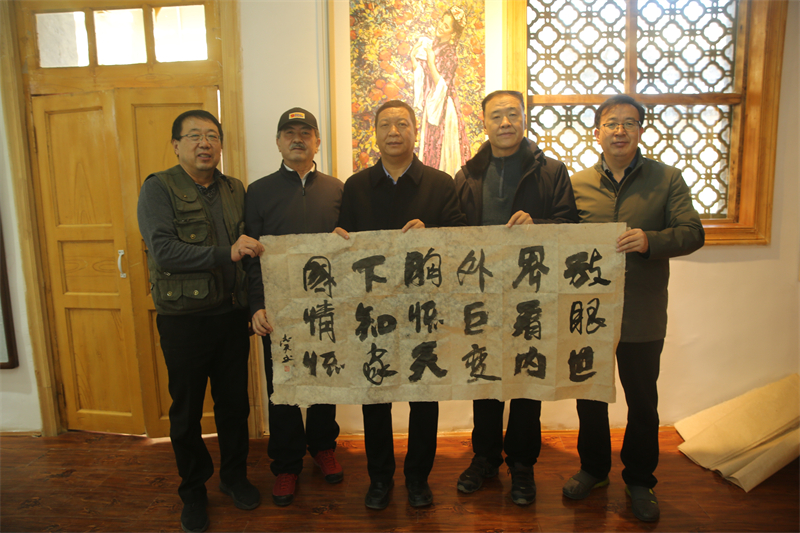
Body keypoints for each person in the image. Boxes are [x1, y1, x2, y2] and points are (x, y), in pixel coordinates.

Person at [564, 94, 704, 522]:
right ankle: (593, 469)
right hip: (588, 314)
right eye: (611, 123)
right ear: (597, 133)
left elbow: (692, 232)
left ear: (640, 131)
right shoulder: (577, 183)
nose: (620, 131)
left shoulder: (667, 179)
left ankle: (640, 480)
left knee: (642, 401)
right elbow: (559, 237)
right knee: (590, 397)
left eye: (629, 123)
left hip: (642, 312)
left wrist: (649, 241)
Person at [334, 99, 467, 510]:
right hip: (372, 311)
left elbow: (461, 239)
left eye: (402, 124)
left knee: (424, 397)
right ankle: (379, 479)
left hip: (424, 310)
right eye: (386, 124)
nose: (394, 131)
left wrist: (433, 233)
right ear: (374, 133)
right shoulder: (356, 185)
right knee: (375, 395)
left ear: (415, 131)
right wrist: (336, 240)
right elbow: (343, 240)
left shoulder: (440, 183)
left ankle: (418, 479)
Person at [137, 110, 264, 533]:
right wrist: (225, 253)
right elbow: (164, 251)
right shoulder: (158, 188)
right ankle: (193, 492)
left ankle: (234, 478)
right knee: (187, 411)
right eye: (193, 136)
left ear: (221, 145)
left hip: (231, 317)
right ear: (176, 145)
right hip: (184, 321)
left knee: (235, 406)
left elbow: (253, 245)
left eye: (212, 135)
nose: (204, 143)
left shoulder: (234, 189)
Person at [452, 90, 579, 505]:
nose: (505, 122)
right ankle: (485, 458)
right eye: (496, 116)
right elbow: (452, 235)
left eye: (512, 114)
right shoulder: (467, 175)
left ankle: (522, 465)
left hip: (532, 295)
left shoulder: (551, 171)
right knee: (485, 378)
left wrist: (537, 224)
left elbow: (570, 227)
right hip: (482, 295)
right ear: (484, 123)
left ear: (523, 119)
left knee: (527, 380)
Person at [243, 107, 344, 507]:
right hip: (279, 308)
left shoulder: (337, 190)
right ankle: (286, 464)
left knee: (324, 376)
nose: (297, 138)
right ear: (278, 142)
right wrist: (256, 305)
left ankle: (323, 446)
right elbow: (251, 256)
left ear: (317, 141)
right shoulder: (259, 191)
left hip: (327, 305)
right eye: (289, 132)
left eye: (305, 132)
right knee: (282, 386)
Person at [410, 5, 472, 179]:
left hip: (444, 107)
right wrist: (414, 59)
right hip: (432, 105)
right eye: (441, 22)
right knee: (430, 148)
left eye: (446, 26)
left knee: (444, 152)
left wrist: (431, 62)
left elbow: (442, 85)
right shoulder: (433, 46)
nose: (441, 27)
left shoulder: (451, 54)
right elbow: (424, 76)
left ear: (453, 33)